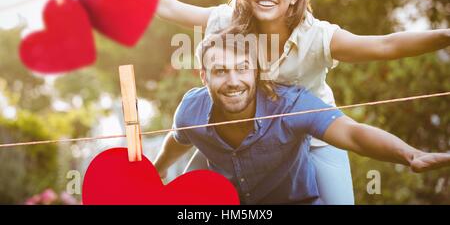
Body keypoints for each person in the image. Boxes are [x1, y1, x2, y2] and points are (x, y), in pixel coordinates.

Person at [94, 0, 450, 204]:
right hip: (236, 132)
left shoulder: (318, 37)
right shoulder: (226, 21)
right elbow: (169, 6)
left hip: (312, 135)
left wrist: (444, 36)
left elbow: (386, 45)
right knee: (189, 199)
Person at [153, 31, 450, 204]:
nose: (233, 80)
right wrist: (158, 169)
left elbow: (353, 134)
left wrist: (409, 154)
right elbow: (179, 138)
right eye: (220, 71)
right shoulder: (191, 109)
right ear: (204, 76)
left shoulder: (290, 105)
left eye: (242, 68)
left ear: (255, 71)